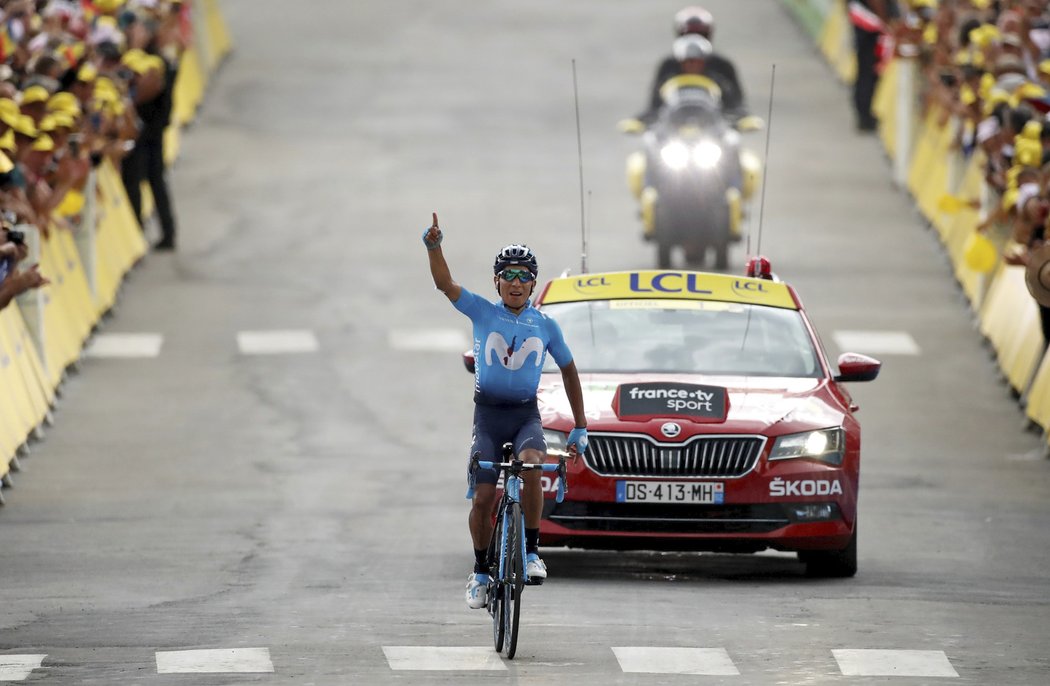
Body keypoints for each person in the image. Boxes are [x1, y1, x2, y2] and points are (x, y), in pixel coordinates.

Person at [421, 213, 589, 610]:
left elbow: (568, 368)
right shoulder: (482, 311)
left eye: (523, 276)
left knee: (532, 465)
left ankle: (531, 552)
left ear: (533, 282)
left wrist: (581, 426)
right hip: (489, 417)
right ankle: (480, 571)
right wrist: (434, 247)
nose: (516, 282)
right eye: (508, 275)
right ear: (496, 281)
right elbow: (445, 285)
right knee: (482, 497)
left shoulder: (546, 325)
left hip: (525, 414)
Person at [637, 6, 748, 124]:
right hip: (673, 128)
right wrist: (643, 121)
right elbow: (655, 103)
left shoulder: (722, 65)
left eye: (701, 34)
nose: (694, 39)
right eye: (688, 33)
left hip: (714, 128)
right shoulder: (668, 65)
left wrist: (742, 118)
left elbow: (736, 101)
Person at [847, 0, 897, 132]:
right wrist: (886, 22)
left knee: (865, 70)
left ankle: (864, 113)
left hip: (864, 22)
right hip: (871, 26)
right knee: (868, 71)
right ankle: (864, 115)